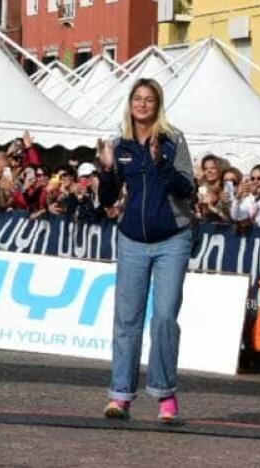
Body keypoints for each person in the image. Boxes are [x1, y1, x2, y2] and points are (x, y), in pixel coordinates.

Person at [99, 78, 196, 423]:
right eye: (137, 99)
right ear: (130, 103)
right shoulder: (120, 143)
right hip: (132, 240)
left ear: (158, 105)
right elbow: (108, 199)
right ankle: (120, 396)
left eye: (149, 99)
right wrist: (107, 170)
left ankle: (165, 396)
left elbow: (188, 189)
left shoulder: (174, 139)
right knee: (127, 319)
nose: (142, 104)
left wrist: (161, 163)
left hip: (172, 237)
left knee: (165, 318)